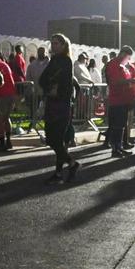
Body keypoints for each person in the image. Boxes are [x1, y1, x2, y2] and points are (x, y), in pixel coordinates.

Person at [39, 33, 80, 182]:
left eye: (57, 43)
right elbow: (42, 79)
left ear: (63, 45)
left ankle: (59, 172)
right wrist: (50, 87)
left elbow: (66, 84)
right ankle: (71, 164)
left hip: (62, 105)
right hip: (52, 103)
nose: (54, 46)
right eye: (52, 43)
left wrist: (57, 89)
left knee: (57, 139)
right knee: (51, 139)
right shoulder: (54, 60)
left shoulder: (66, 61)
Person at [104, 46, 135, 157]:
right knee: (117, 125)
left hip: (123, 99)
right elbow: (115, 81)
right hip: (117, 100)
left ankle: (119, 147)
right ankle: (115, 149)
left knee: (121, 125)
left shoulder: (122, 65)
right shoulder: (114, 64)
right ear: (123, 54)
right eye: (128, 57)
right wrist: (129, 81)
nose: (128, 60)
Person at [0, 49, 17, 151]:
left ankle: (2, 143)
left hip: (1, 95)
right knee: (6, 118)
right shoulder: (4, 64)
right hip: (11, 94)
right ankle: (9, 141)